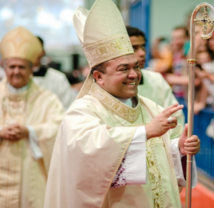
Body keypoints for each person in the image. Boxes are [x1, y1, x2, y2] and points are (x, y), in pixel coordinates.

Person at [44, 1, 200, 207]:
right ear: (98, 76)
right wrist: (145, 132)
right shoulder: (83, 111)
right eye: (123, 69)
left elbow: (157, 162)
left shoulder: (150, 107)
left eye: (136, 66)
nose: (134, 74)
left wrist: (178, 149)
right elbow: (87, 159)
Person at [0, 27, 64, 208]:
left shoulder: (47, 98)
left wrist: (30, 131)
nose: (16, 72)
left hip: (33, 176)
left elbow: (60, 128)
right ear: (4, 67)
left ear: (31, 69)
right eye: (11, 67)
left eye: (21, 67)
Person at [126, 26, 185, 126]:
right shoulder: (110, 84)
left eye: (143, 47)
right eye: (134, 48)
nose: (142, 53)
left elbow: (176, 117)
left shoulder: (156, 79)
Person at [33, 37, 75, 109]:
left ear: (43, 52)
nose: (34, 52)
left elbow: (67, 106)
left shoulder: (58, 78)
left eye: (37, 49)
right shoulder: (16, 79)